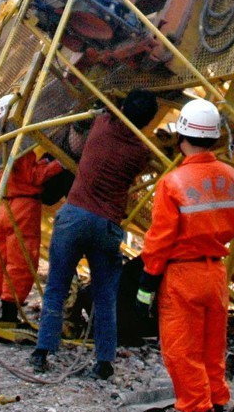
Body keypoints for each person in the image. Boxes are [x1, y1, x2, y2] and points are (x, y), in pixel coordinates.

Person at [31, 89, 159, 379]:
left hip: (74, 216)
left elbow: (88, 123)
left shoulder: (101, 126)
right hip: (107, 226)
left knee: (56, 289)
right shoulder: (141, 153)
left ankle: (43, 352)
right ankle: (104, 362)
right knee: (105, 296)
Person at [136, 99, 234, 412]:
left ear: (181, 136)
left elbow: (160, 240)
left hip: (182, 275)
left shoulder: (173, 184)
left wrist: (146, 286)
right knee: (213, 349)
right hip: (215, 274)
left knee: (182, 352)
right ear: (214, 137)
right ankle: (216, 410)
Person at [0, 95, 66, 325]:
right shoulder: (18, 143)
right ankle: (9, 313)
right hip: (24, 208)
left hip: (5, 206)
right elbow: (34, 176)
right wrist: (58, 164)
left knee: (0, 259)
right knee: (21, 262)